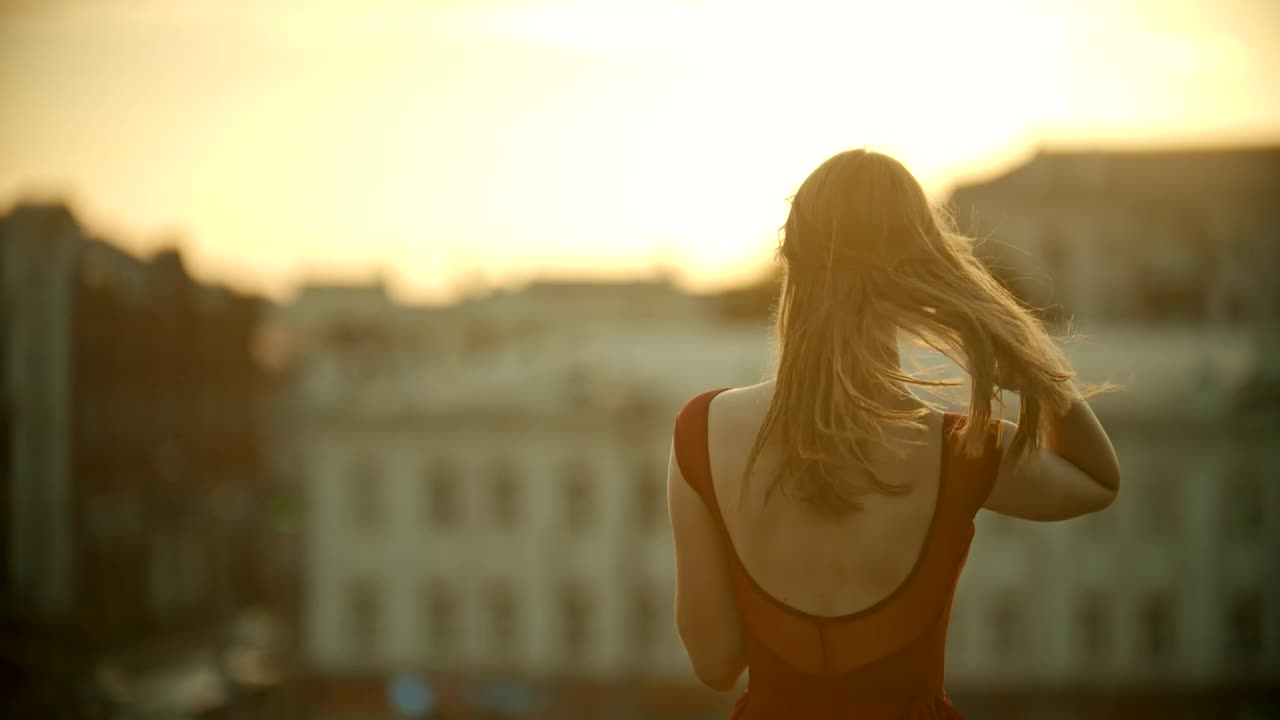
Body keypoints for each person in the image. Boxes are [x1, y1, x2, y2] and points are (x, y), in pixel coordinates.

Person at [667, 148, 1121, 719]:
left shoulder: (701, 434)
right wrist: (1022, 355)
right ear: (921, 268)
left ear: (791, 257)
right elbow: (1097, 481)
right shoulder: (962, 449)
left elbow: (715, 665)